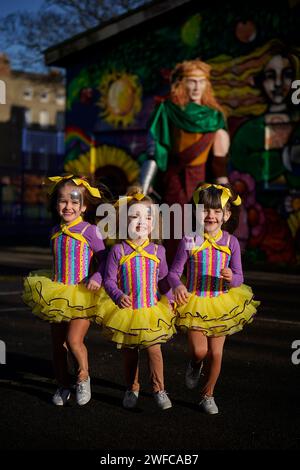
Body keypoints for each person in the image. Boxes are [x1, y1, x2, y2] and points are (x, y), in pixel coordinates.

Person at [168, 183, 260, 414]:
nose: (211, 215)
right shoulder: (189, 240)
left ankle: (207, 395)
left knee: (217, 353)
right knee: (201, 351)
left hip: (222, 303)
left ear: (226, 215)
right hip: (194, 302)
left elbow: (239, 277)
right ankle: (194, 363)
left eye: (217, 211)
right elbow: (173, 273)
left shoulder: (231, 242)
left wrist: (232, 278)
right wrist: (178, 285)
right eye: (205, 210)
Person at [22, 175, 107, 406]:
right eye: (62, 201)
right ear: (56, 203)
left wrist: (97, 277)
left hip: (82, 294)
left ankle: (83, 376)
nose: (68, 206)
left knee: (73, 340)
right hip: (57, 293)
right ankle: (62, 385)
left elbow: (105, 260)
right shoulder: (54, 231)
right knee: (58, 345)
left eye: (74, 201)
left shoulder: (90, 231)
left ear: (84, 206)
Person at [140, 59, 230, 260]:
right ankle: (169, 282)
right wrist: (143, 187)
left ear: (207, 84)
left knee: (200, 237)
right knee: (174, 234)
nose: (197, 86)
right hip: (173, 183)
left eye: (201, 81)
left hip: (202, 185)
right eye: (191, 81)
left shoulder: (215, 117)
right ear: (181, 83)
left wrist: (226, 192)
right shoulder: (168, 110)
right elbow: (155, 151)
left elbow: (219, 163)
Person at [99, 187, 176, 410]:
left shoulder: (158, 250)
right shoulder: (118, 251)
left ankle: (159, 389)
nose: (141, 222)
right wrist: (117, 295)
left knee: (154, 351)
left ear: (153, 224)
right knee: (130, 355)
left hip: (151, 310)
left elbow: (163, 280)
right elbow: (109, 281)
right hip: (128, 313)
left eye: (147, 217)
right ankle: (132, 387)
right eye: (135, 217)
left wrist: (169, 299)